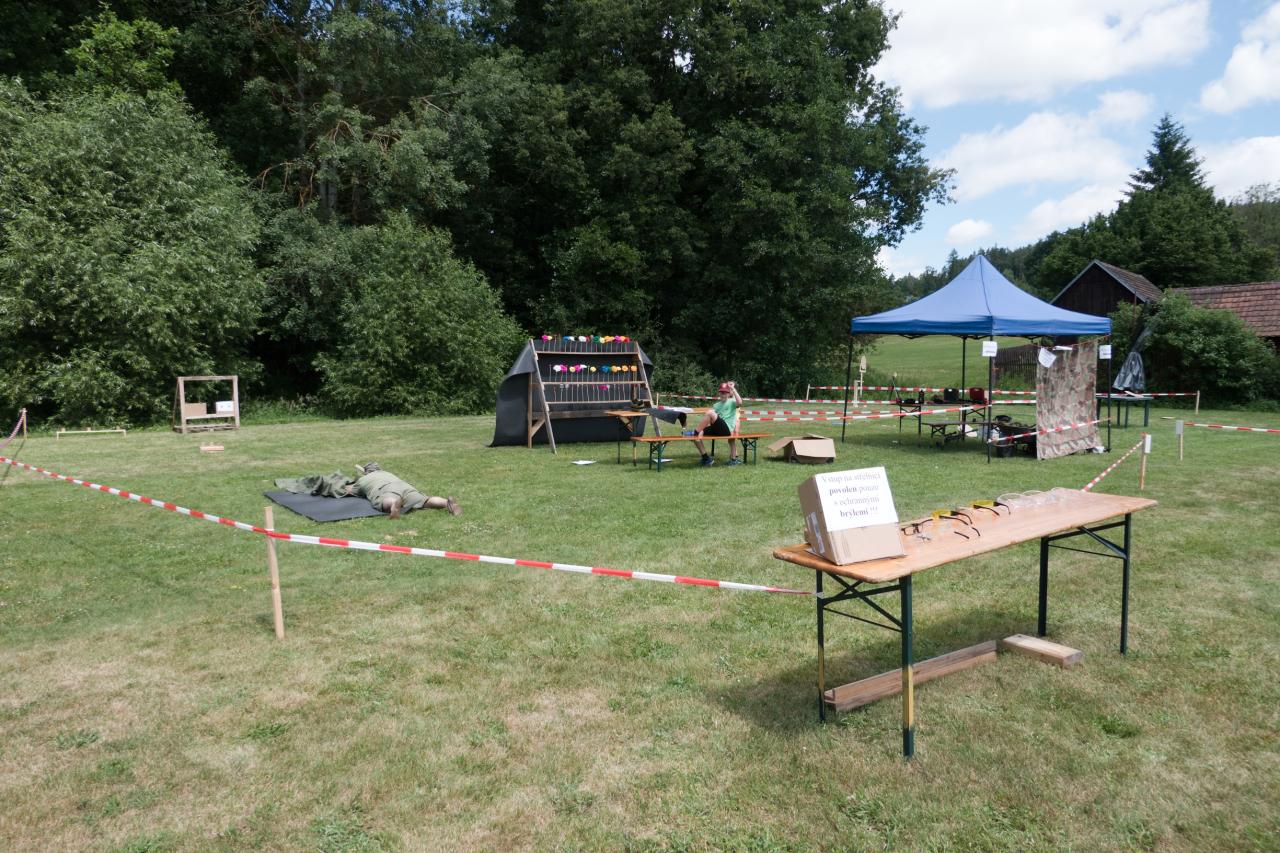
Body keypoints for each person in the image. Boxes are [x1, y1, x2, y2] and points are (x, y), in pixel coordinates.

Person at [346, 462, 461, 519]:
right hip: (405, 486)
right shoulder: (386, 473)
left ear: (367, 472)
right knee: (425, 500)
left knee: (385, 499)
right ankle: (446, 503)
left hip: (386, 489)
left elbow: (350, 490)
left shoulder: (363, 479)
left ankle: (394, 504)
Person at [689, 381, 742, 466]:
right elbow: (711, 420)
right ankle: (706, 458)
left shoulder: (732, 402)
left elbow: (740, 403)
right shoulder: (716, 405)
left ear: (728, 394)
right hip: (717, 428)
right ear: (719, 393)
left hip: (727, 429)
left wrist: (733, 389)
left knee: (710, 413)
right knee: (697, 436)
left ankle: (695, 432)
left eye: (725, 393)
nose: (723, 394)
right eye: (721, 392)